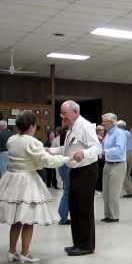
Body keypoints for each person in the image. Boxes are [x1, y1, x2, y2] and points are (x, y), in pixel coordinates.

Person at [0, 111, 71, 263]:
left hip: (12, 179)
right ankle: (25, 253)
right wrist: (67, 158)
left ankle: (12, 251)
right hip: (27, 180)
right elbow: (48, 162)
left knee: (16, 219)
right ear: (32, 126)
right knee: (28, 219)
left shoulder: (12, 139)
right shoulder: (32, 142)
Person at [49, 100, 102, 256]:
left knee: (83, 208)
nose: (62, 117)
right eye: (61, 113)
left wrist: (83, 154)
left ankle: (86, 245)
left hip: (86, 171)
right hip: (76, 171)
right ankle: (77, 243)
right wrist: (49, 150)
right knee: (75, 207)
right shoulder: (71, 129)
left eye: (65, 114)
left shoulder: (85, 126)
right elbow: (66, 150)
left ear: (75, 112)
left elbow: (97, 147)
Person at [101, 113, 128, 223]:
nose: (103, 124)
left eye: (104, 121)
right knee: (105, 191)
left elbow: (119, 149)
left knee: (113, 192)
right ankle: (107, 214)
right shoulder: (107, 134)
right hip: (108, 164)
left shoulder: (119, 134)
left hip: (118, 164)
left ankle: (114, 216)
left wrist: (104, 151)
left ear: (112, 122)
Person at [54, 126, 71, 225]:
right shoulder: (70, 140)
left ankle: (63, 216)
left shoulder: (58, 139)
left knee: (66, 192)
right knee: (67, 192)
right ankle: (64, 217)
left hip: (61, 165)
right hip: (67, 165)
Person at [117, 120, 132, 198]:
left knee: (123, 174)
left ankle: (129, 191)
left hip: (124, 154)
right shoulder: (128, 133)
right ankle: (130, 189)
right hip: (131, 153)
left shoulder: (120, 134)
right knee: (127, 173)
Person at [95, 124, 106, 195]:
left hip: (103, 157)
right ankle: (97, 188)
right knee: (99, 173)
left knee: (102, 173)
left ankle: (101, 187)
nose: (103, 132)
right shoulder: (96, 138)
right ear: (98, 131)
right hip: (99, 158)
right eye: (102, 130)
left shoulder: (102, 138)